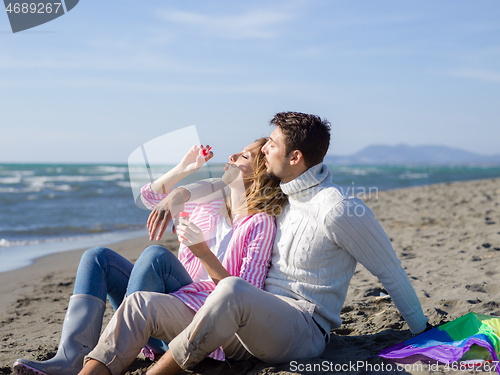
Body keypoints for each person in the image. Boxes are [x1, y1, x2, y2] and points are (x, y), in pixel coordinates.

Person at [79, 112, 430, 375]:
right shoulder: (281, 201)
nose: (264, 153)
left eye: (271, 146)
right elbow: (222, 185)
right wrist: (181, 190)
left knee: (231, 290)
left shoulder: (338, 207)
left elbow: (390, 270)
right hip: (242, 320)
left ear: (295, 158)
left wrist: (425, 334)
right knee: (140, 304)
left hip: (302, 328)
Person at [13, 139, 286, 375]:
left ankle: (116, 349)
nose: (232, 156)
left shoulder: (259, 223)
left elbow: (245, 295)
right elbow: (149, 197)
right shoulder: (211, 203)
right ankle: (71, 358)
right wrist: (184, 169)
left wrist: (203, 253)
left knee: (155, 254)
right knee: (98, 257)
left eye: (244, 156)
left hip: (198, 322)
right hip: (169, 303)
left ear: (259, 173)